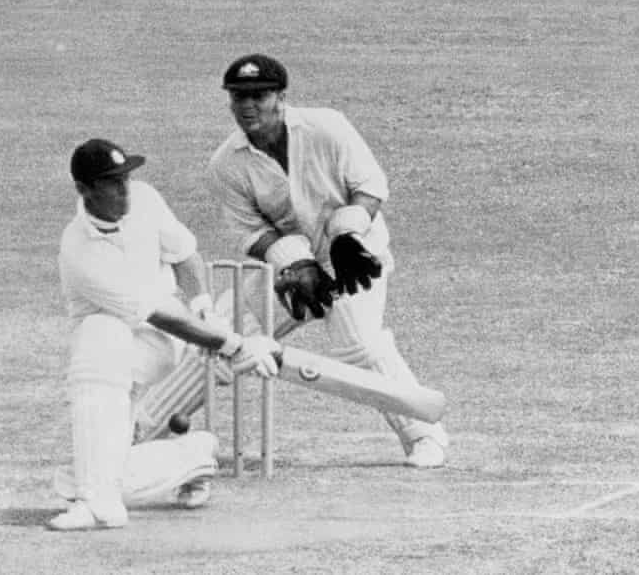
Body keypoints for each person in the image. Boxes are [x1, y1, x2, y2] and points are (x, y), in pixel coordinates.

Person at [206, 54, 449, 469]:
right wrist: (295, 262)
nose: (247, 106)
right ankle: (154, 429)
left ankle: (424, 434)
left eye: (258, 96)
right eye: (238, 97)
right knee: (218, 339)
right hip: (289, 268)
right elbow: (249, 232)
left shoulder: (328, 127)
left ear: (281, 97)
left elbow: (370, 186)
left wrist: (348, 233)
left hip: (354, 257)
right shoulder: (226, 164)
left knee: (360, 345)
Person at [48, 137, 280, 532]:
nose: (124, 190)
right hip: (124, 345)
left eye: (125, 178)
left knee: (100, 336)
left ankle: (95, 501)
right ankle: (192, 456)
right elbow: (157, 312)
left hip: (154, 347)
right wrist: (233, 345)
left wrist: (205, 305)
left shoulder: (146, 199)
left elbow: (184, 254)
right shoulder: (80, 250)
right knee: (85, 466)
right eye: (111, 183)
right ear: (84, 190)